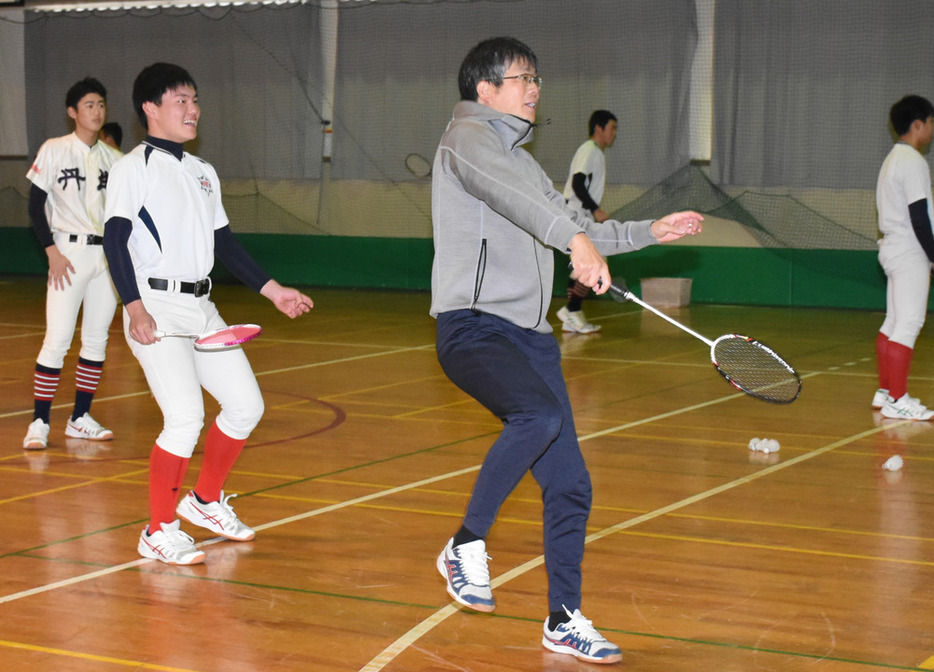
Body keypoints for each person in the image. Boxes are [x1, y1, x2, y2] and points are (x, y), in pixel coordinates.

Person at [430, 37, 702, 664]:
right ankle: (464, 544)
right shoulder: (465, 140)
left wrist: (646, 232)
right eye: (521, 77)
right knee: (539, 416)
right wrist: (577, 244)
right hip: (474, 327)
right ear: (485, 89)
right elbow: (535, 212)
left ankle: (563, 617)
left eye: (536, 78)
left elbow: (564, 216)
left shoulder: (521, 160)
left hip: (529, 338)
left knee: (571, 484)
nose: (534, 88)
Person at [102, 63, 313, 565]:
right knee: (185, 417)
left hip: (201, 307)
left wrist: (273, 290)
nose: (192, 109)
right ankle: (158, 529)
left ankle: (205, 500)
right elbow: (115, 238)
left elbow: (224, 243)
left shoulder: (203, 173)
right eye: (180, 100)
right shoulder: (135, 167)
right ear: (150, 109)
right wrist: (133, 307)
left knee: (245, 407)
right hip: (154, 304)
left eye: (195, 100)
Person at [22, 77, 123, 450]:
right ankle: (40, 421)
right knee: (58, 338)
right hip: (68, 252)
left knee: (96, 340)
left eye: (101, 104)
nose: (97, 111)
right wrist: (51, 252)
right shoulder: (55, 149)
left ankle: (80, 417)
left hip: (105, 257)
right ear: (72, 112)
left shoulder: (115, 159)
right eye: (89, 105)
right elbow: (34, 206)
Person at [874, 94, 934, 421]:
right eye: (931, 122)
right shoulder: (913, 161)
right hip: (910, 250)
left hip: (894, 248)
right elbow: (919, 216)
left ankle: (886, 392)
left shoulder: (892, 160)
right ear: (918, 124)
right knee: (909, 323)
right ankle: (898, 398)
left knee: (894, 322)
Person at [557, 110, 619, 334]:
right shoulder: (589, 150)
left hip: (581, 216)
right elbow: (578, 183)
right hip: (575, 215)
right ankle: (572, 311)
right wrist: (596, 210)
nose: (614, 133)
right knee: (594, 263)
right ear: (598, 128)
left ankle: (571, 313)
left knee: (587, 266)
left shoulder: (596, 153)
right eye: (611, 128)